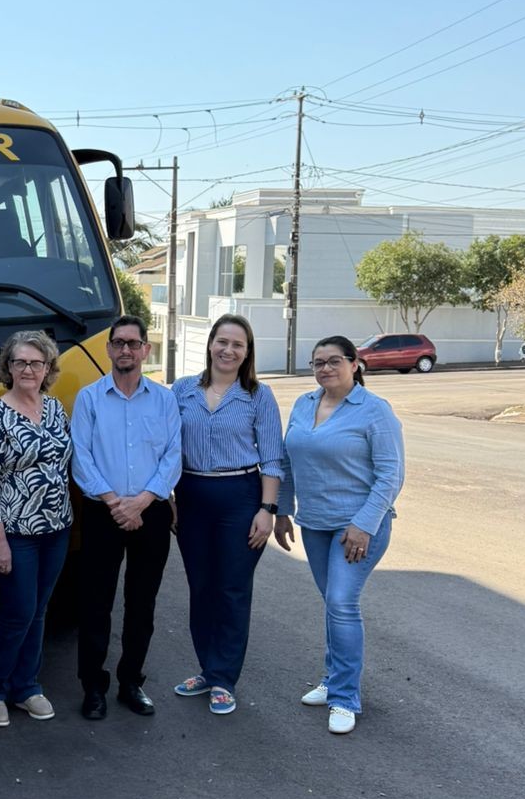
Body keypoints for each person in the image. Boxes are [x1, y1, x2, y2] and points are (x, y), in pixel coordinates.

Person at [274, 334, 404, 734]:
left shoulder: (374, 410)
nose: (325, 369)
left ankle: (346, 697)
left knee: (342, 603)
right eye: (318, 363)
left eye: (333, 361)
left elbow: (390, 475)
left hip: (358, 528)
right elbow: (287, 462)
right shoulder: (304, 404)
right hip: (314, 523)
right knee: (332, 604)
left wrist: (363, 524)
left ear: (354, 364)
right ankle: (333, 680)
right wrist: (281, 511)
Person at [171, 313, 284, 716]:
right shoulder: (182, 390)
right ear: (210, 343)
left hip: (240, 495)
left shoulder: (258, 395)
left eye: (238, 344)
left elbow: (272, 457)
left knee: (232, 589)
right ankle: (206, 668)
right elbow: (166, 447)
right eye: (222, 341)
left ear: (247, 352)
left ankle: (224, 678)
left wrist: (267, 509)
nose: (228, 349)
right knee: (201, 587)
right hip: (191, 493)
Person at [71, 316, 182, 720]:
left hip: (150, 515)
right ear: (109, 348)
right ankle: (93, 686)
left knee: (142, 603)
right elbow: (80, 456)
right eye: (118, 343)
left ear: (145, 350)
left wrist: (142, 502)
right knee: (96, 604)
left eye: (134, 344)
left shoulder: (164, 399)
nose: (125, 350)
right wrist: (116, 501)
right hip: (103, 513)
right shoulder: (89, 398)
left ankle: (131, 682)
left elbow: (173, 456)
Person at [0, 329, 73, 725]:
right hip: (17, 533)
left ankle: (27, 687)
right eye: (20, 362)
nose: (28, 369)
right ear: (8, 367)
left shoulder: (55, 409)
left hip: (58, 527)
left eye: (36, 362)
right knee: (18, 612)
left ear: (48, 368)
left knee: (39, 611)